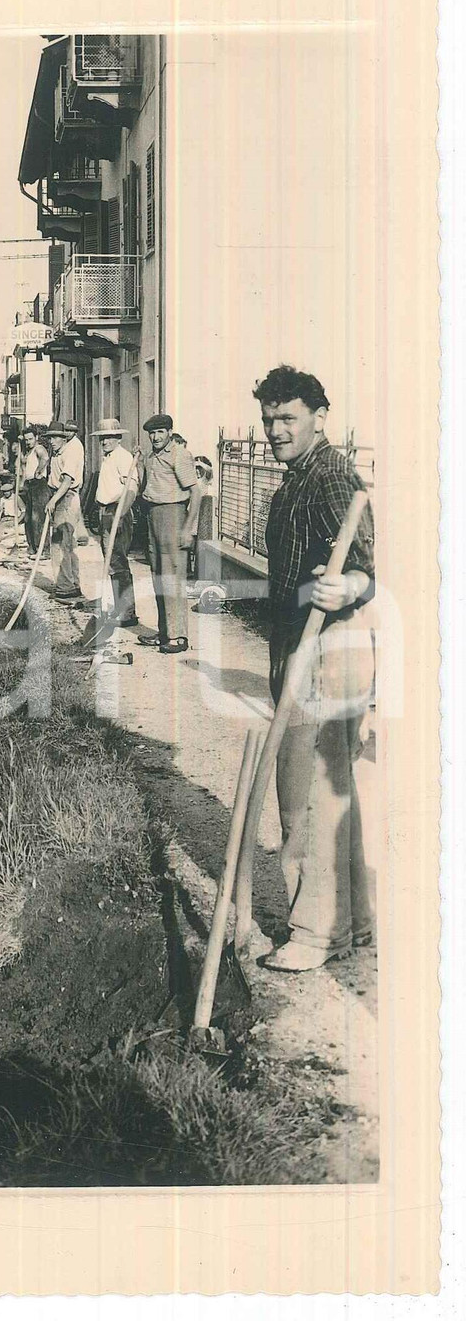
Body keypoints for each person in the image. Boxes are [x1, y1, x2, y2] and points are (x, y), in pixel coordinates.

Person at [252, 364, 375, 973]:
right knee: (330, 786)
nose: (276, 430)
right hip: (302, 639)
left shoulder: (328, 479)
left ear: (319, 418)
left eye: (288, 419)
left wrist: (346, 585)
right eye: (269, 419)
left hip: (327, 645)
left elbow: (364, 567)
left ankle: (315, 932)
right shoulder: (298, 477)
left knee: (306, 789)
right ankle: (352, 922)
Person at [137, 413, 201, 654]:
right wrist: (140, 461)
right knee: (158, 576)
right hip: (152, 515)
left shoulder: (180, 455)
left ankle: (178, 637)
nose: (155, 437)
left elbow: (196, 493)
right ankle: (164, 632)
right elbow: (148, 486)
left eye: (160, 432)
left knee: (173, 577)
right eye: (152, 433)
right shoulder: (152, 457)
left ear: (169, 432)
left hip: (173, 516)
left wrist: (189, 529)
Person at [92, 417, 142, 627]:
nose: (105, 442)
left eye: (109, 437)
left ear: (118, 438)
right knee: (111, 563)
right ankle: (120, 608)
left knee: (118, 563)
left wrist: (121, 514)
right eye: (102, 438)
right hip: (105, 511)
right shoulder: (108, 457)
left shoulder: (123, 457)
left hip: (117, 512)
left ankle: (127, 612)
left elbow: (132, 489)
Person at [44, 420, 85, 604]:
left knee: (60, 545)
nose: (52, 441)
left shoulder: (70, 453)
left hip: (65, 498)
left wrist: (53, 501)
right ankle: (71, 584)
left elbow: (67, 481)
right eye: (50, 438)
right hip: (59, 496)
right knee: (66, 544)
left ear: (64, 438)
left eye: (56, 437)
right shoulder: (57, 453)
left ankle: (66, 588)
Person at [18, 424, 50, 559]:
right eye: (26, 440)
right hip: (29, 485)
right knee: (28, 518)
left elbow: (45, 458)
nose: (28, 442)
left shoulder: (39, 448)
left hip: (39, 485)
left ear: (36, 438)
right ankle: (32, 547)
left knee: (38, 518)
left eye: (30, 439)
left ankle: (44, 550)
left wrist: (39, 470)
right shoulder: (28, 451)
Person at [63, 420, 90, 545]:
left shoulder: (74, 445)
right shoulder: (69, 443)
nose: (67, 433)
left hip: (73, 482)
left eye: (70, 431)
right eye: (66, 430)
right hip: (73, 482)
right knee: (76, 510)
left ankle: (77, 536)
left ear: (74, 432)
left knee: (72, 511)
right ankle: (82, 535)